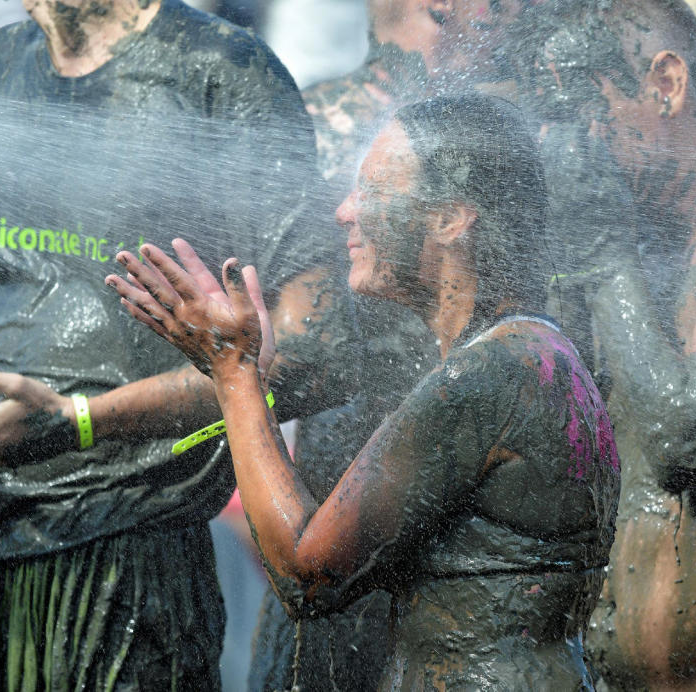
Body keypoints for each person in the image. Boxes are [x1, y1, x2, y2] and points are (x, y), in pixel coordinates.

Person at [0, 0, 356, 688]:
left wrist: (78, 422)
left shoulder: (223, 70)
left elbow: (314, 357)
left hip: (119, 563)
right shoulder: (2, 60)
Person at [108, 94, 621, 691]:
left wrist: (234, 373)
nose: (344, 212)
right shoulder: (536, 354)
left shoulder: (483, 380)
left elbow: (307, 574)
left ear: (451, 219)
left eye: (373, 191)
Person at [510, 1, 696, 687]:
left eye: (581, 112)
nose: (569, 145)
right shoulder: (613, 256)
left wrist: (605, 258)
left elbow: (685, 438)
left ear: (666, 83)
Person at [246, 2, 438, 688]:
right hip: (335, 534)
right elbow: (282, 356)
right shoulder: (319, 129)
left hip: (460, 562)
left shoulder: (531, 133)